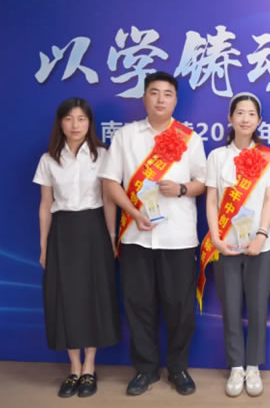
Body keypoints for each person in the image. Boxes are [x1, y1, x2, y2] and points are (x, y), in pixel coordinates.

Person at [99, 71, 207, 396]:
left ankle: (178, 368)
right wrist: (133, 213)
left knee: (180, 308)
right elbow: (110, 182)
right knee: (138, 305)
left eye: (167, 94)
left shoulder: (189, 138)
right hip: (136, 236)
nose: (161, 99)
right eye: (154, 93)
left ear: (176, 100)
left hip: (178, 237)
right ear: (144, 97)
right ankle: (145, 369)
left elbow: (203, 182)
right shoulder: (126, 136)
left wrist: (182, 188)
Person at [33, 98, 121, 398]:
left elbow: (108, 200)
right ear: (60, 123)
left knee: (93, 295)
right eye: (69, 119)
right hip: (62, 231)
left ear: (89, 123)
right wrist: (44, 244)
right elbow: (45, 205)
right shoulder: (49, 159)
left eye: (81, 119)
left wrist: (111, 237)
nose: (75, 125)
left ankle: (89, 367)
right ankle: (73, 367)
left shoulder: (103, 155)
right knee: (65, 297)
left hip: (94, 229)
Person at [199, 92, 270, 397]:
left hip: (261, 245)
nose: (245, 119)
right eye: (240, 113)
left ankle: (253, 366)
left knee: (258, 307)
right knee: (230, 306)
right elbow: (211, 200)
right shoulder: (217, 157)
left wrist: (261, 235)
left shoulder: (268, 157)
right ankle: (236, 366)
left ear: (259, 120)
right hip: (227, 244)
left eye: (251, 114)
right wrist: (215, 237)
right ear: (230, 118)